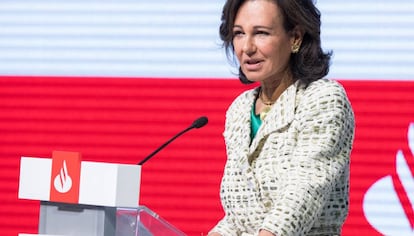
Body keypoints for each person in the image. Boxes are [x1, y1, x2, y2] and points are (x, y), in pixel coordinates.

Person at [208, 0, 355, 235]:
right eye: (238, 34)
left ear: (295, 37)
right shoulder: (239, 109)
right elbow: (241, 216)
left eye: (261, 33)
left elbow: (302, 195)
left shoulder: (322, 98)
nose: (247, 47)